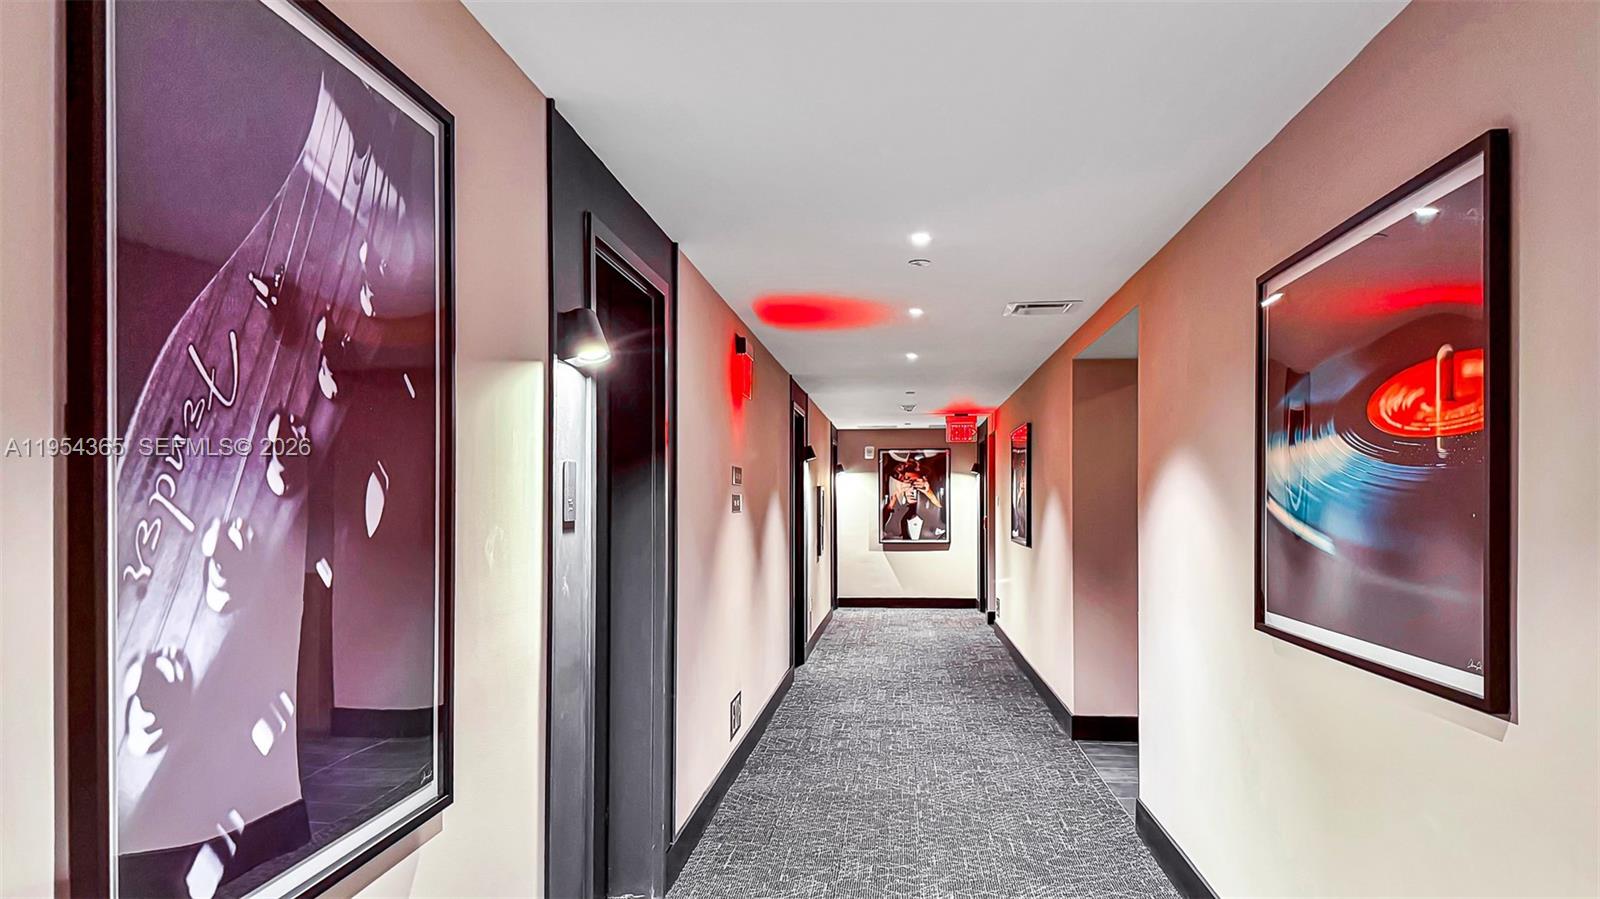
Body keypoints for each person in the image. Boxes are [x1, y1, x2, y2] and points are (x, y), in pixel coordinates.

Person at [883, 457, 945, 540]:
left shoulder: (929, 508)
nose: (912, 490)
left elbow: (945, 516)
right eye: (908, 482)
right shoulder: (894, 508)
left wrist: (929, 493)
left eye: (916, 484)